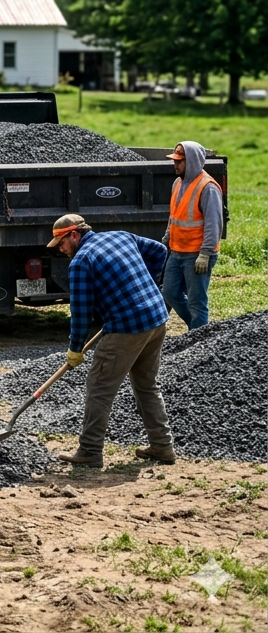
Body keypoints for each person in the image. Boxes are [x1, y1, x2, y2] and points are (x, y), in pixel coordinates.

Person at [49, 214, 176, 466]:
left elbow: (82, 313)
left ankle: (90, 451)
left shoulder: (81, 262)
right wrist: (145, 286)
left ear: (74, 235)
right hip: (156, 318)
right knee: (146, 385)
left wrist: (75, 349)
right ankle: (162, 446)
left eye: (61, 243)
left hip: (126, 328)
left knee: (99, 388)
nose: (61, 250)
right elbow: (160, 251)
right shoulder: (121, 236)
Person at [161, 141, 223, 330]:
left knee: (197, 303)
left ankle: (199, 339)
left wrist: (205, 254)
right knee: (169, 293)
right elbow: (174, 217)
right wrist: (166, 241)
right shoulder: (178, 183)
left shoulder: (208, 188)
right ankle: (198, 331)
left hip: (197, 255)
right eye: (175, 160)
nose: (175, 164)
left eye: (180, 161)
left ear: (193, 161)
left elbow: (214, 224)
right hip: (177, 251)